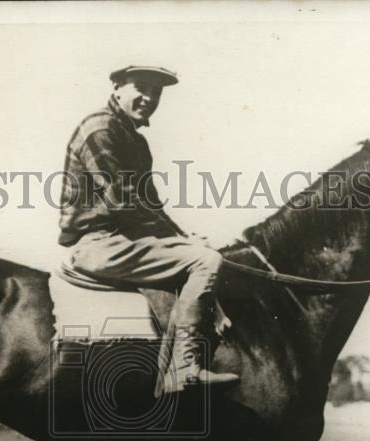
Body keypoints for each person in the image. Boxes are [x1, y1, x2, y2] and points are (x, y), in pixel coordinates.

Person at [58, 65, 239, 394]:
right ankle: (184, 367)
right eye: (141, 87)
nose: (149, 97)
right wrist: (185, 245)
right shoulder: (99, 127)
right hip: (101, 244)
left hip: (123, 241)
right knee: (206, 262)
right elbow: (122, 200)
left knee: (202, 255)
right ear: (117, 89)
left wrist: (182, 238)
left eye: (156, 92)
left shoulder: (137, 143)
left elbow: (151, 207)